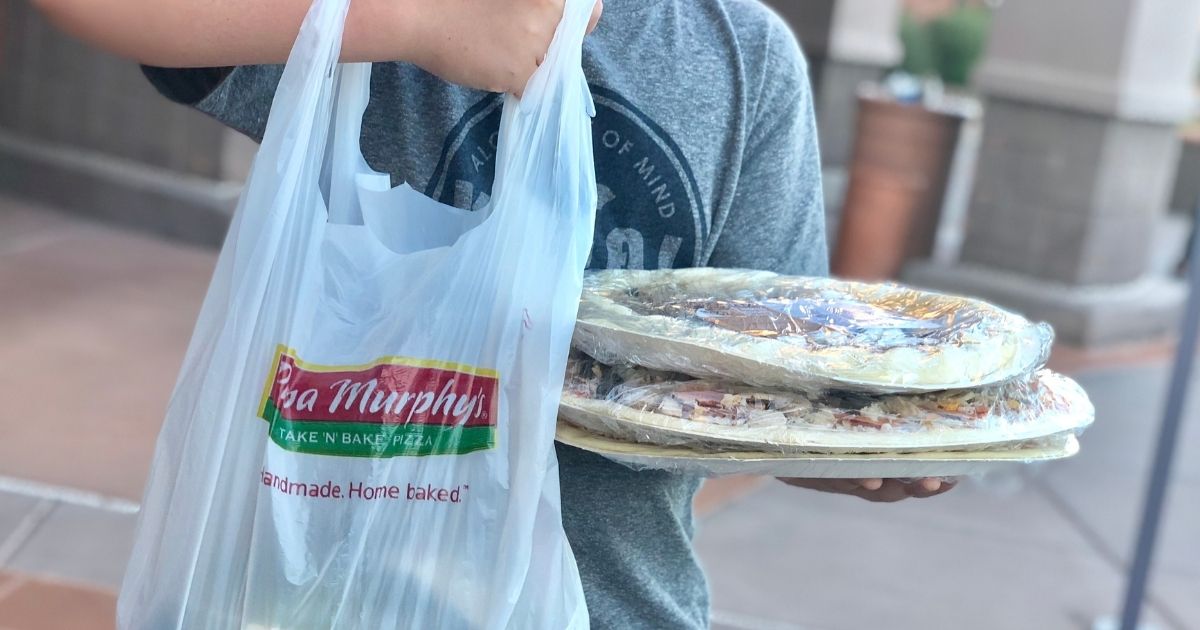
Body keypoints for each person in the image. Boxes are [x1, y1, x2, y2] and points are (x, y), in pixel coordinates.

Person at [33, 0, 955, 627]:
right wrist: (421, 22)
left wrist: (851, 446)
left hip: (616, 603)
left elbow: (755, 369)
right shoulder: (381, 27)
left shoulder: (738, 50)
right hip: (327, 589)